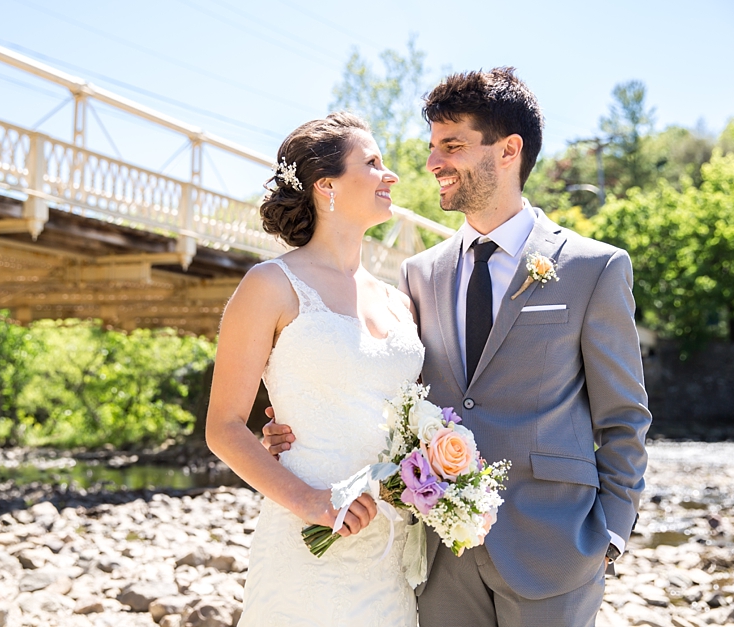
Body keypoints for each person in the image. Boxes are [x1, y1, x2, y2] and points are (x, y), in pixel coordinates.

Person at [264, 68, 652, 626]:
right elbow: (387, 388)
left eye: (452, 145)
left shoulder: (595, 268)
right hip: (441, 556)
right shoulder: (418, 274)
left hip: (556, 551)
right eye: (431, 147)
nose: (431, 164)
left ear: (508, 150)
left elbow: (624, 416)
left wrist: (611, 533)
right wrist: (294, 424)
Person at [205, 112, 423, 626]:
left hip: (393, 551)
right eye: (372, 163)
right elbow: (223, 426)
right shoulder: (270, 285)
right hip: (310, 543)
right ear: (326, 185)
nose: (389, 175)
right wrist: (309, 502)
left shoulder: (400, 301)